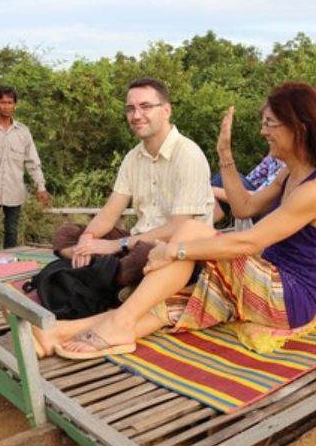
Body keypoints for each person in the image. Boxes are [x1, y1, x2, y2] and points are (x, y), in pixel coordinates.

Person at [36, 82, 316, 359]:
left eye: (270, 123)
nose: (263, 131)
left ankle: (116, 323)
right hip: (268, 280)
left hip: (290, 298)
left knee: (191, 230)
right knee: (176, 303)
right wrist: (225, 155)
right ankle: (64, 331)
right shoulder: (290, 171)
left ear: (300, 128)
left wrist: (176, 250)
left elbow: (249, 240)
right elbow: (243, 207)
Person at [53, 78, 215, 288]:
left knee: (141, 257)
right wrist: (87, 238)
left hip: (178, 249)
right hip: (137, 239)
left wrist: (114, 245)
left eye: (145, 107)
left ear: (166, 110)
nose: (136, 116)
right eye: (130, 109)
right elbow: (111, 212)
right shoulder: (133, 157)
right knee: (66, 234)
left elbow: (180, 226)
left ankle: (102, 272)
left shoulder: (188, 155)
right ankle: (101, 270)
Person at [0, 85, 51, 254]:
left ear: (15, 105)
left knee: (11, 232)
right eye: (2, 102)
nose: (6, 106)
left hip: (15, 190)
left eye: (9, 102)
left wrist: (41, 186)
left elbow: (32, 161)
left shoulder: (23, 132)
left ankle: (7, 268)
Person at [211, 155, 284, 227]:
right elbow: (251, 180)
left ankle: (205, 223)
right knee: (225, 178)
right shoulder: (273, 159)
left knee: (224, 180)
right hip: (255, 204)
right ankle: (205, 223)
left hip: (271, 212)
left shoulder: (287, 168)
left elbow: (259, 198)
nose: (270, 142)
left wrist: (213, 190)